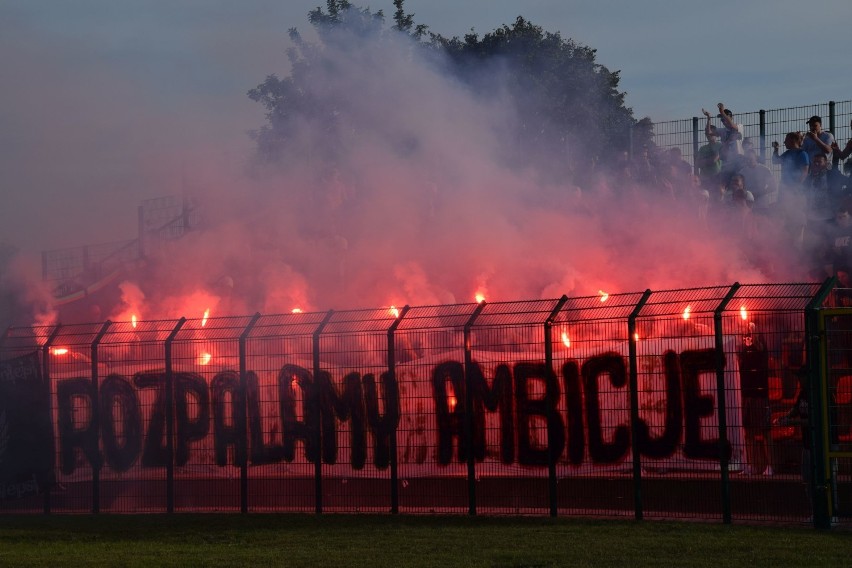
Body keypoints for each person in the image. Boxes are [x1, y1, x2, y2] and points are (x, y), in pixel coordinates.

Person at [738, 325, 773, 475]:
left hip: (760, 394)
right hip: (747, 394)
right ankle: (751, 465)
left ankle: (770, 465)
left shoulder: (761, 345)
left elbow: (760, 347)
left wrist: (755, 332)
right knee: (748, 432)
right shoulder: (743, 348)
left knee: (765, 430)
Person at [696, 125, 722, 192]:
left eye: (709, 133)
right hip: (704, 179)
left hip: (716, 178)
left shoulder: (720, 146)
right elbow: (698, 164)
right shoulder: (702, 148)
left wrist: (704, 161)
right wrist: (710, 160)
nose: (708, 135)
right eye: (706, 133)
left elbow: (714, 160)